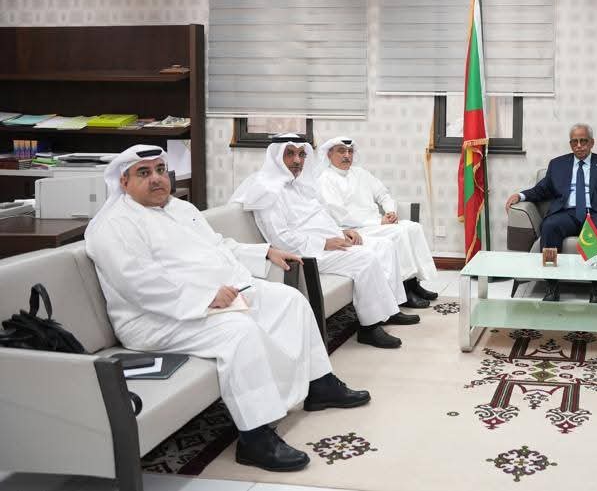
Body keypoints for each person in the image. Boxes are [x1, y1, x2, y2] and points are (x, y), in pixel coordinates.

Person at [85, 145, 369, 472]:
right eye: (144, 173)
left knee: (289, 300)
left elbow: (219, 246)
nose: (156, 179)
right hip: (156, 318)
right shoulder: (113, 225)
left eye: (160, 170)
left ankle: (319, 385)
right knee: (238, 332)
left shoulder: (180, 208)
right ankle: (255, 437)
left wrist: (265, 251)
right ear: (123, 182)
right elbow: (138, 284)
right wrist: (206, 297)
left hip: (218, 296)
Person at [230, 133, 418, 350]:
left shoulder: (298, 184)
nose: (297, 160)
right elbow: (281, 238)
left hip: (326, 241)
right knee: (365, 259)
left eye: (301, 154)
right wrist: (324, 242)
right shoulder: (267, 190)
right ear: (276, 157)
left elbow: (318, 218)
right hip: (306, 252)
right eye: (290, 154)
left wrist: (341, 232)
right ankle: (369, 328)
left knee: (383, 245)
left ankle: (390, 310)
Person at [504, 123, 597, 303]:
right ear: (570, 144)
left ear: (592, 143)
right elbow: (541, 189)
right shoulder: (557, 164)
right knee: (550, 226)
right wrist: (520, 195)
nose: (579, 145)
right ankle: (552, 285)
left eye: (583, 141)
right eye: (574, 142)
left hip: (596, 212)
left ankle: (596, 287)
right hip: (566, 213)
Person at [316, 136, 439, 308]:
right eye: (341, 151)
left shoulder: (360, 173)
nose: (347, 155)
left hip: (375, 223)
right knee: (398, 233)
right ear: (329, 154)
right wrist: (378, 221)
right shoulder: (326, 179)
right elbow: (341, 215)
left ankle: (414, 283)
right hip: (354, 229)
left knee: (413, 227)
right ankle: (404, 290)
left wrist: (390, 211)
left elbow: (383, 193)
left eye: (350, 151)